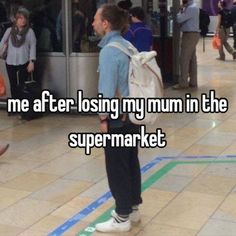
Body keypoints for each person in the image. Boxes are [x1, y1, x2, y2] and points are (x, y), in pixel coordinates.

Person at [92, 4, 142, 233]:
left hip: (118, 119)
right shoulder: (127, 45)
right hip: (133, 115)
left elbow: (107, 90)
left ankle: (122, 218)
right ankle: (132, 208)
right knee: (131, 161)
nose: (92, 23)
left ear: (105, 23)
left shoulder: (109, 51)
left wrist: (103, 119)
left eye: (95, 19)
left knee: (117, 167)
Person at [0, 7, 36, 103]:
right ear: (16, 20)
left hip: (23, 61)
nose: (23, 20)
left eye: (25, 18)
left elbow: (33, 47)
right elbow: (2, 42)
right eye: (20, 18)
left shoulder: (30, 32)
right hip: (10, 61)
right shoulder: (9, 31)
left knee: (21, 85)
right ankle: (14, 105)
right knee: (13, 85)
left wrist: (31, 61)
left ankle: (22, 106)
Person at [172, 0, 200, 90]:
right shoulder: (193, 7)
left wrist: (180, 10)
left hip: (189, 35)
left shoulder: (190, 8)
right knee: (192, 59)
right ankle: (193, 81)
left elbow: (179, 19)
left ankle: (183, 83)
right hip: (193, 34)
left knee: (184, 59)